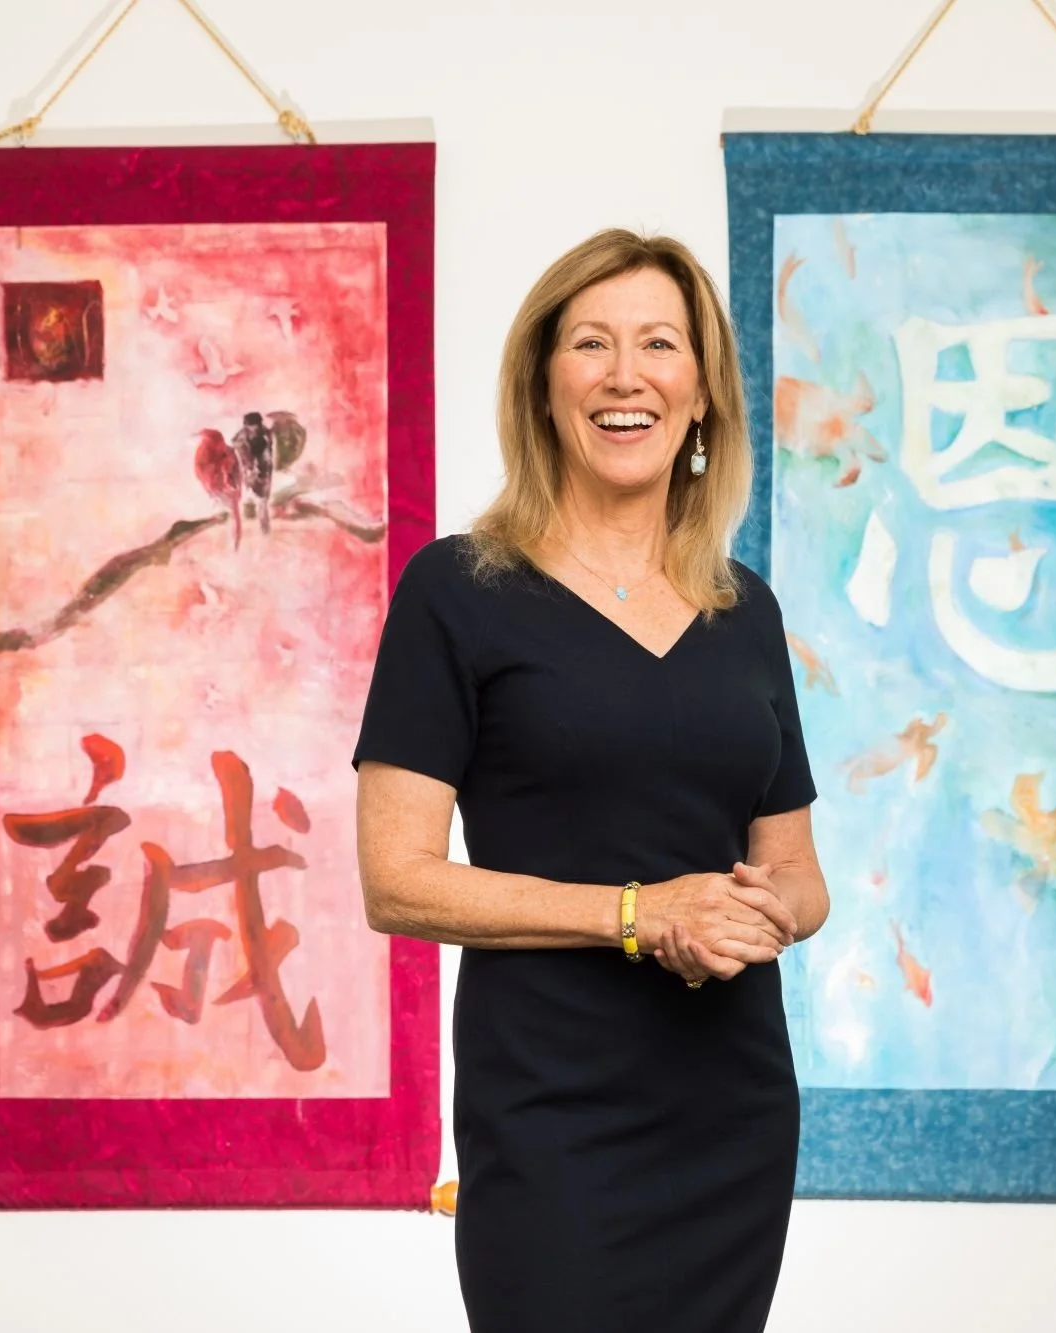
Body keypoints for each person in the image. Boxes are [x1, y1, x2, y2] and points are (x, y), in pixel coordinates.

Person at [352, 228, 829, 1333]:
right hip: (550, 1108)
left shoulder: (744, 609)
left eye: (659, 344)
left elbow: (801, 877)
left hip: (732, 1108)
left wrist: (753, 912)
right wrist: (638, 914)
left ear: (700, 393)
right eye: (590, 344)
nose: (626, 376)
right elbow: (395, 879)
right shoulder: (455, 590)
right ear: (544, 383)